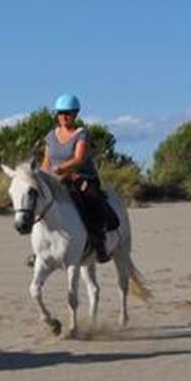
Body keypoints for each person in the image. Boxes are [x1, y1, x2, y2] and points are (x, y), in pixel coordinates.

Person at [40, 93, 111, 260]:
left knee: (92, 202)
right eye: (60, 113)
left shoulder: (81, 134)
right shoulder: (51, 136)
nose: (63, 116)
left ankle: (98, 242)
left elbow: (79, 159)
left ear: (75, 114)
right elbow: (46, 161)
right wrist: (42, 176)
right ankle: (41, 249)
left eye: (68, 113)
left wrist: (61, 168)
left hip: (81, 178)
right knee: (39, 203)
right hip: (57, 180)